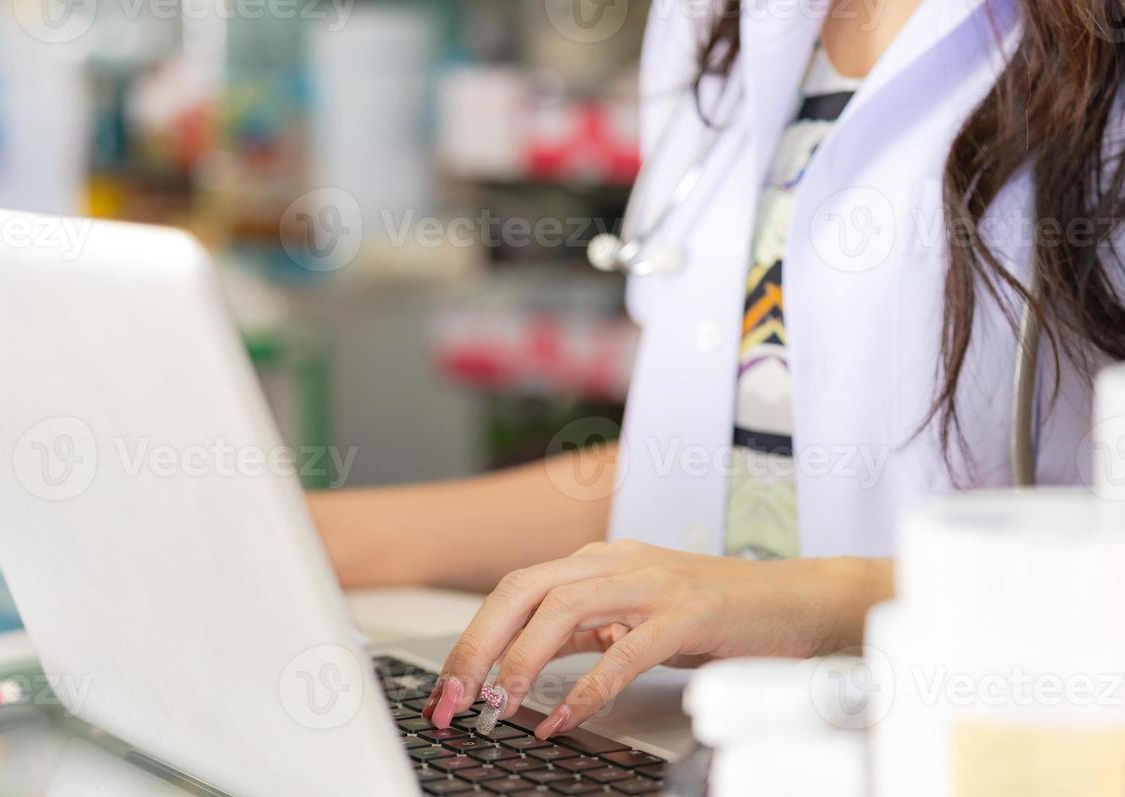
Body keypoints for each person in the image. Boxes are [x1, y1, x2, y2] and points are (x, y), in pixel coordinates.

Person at [311, 0, 1125, 739]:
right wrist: (320, 537)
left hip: (988, 768)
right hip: (685, 752)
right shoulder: (710, 21)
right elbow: (709, 471)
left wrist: (813, 605)